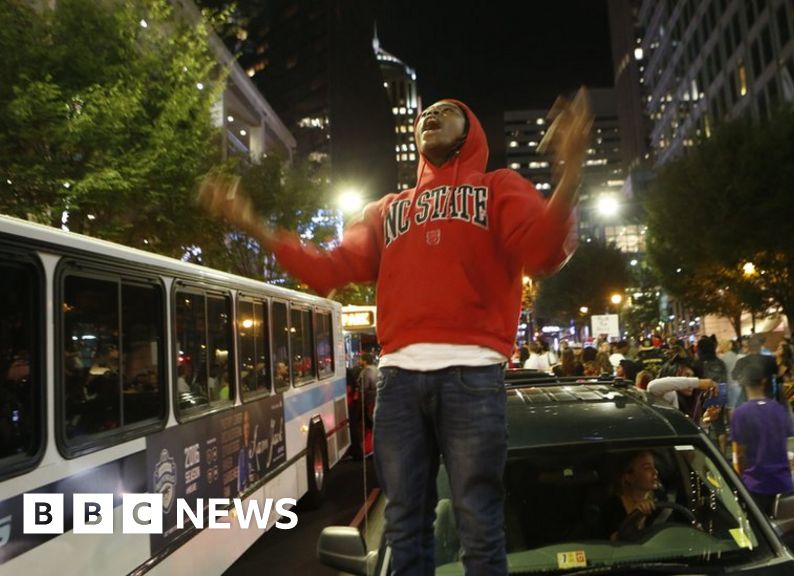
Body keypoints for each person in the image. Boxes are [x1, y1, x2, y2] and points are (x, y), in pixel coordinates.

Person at [200, 91, 593, 576]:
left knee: (480, 524)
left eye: (446, 113)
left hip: (472, 373)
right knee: (405, 523)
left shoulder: (498, 187)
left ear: (470, 132)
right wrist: (254, 225)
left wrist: (571, 168)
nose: (430, 116)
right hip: (399, 378)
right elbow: (328, 270)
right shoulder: (384, 209)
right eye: (424, 115)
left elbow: (544, 250)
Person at [731, 362, 794, 553]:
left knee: (760, 540)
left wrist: (740, 480)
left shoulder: (740, 413)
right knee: (788, 538)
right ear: (764, 381)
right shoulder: (778, 408)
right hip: (783, 483)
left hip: (755, 484)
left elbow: (739, 454)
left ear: (743, 383)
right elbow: (784, 445)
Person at [601, 450, 659, 541]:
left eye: (654, 467)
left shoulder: (661, 502)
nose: (655, 472)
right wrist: (635, 519)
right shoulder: (612, 507)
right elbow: (612, 543)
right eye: (647, 468)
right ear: (629, 477)